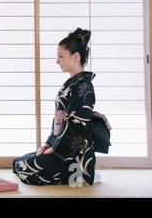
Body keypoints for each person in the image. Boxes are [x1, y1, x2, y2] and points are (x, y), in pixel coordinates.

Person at [12, 28, 96, 186]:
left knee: (24, 169)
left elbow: (76, 127)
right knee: (17, 163)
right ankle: (62, 172)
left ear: (75, 57)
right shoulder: (72, 85)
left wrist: (55, 149)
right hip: (60, 146)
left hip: (72, 154)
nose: (57, 61)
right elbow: (58, 122)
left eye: (60, 56)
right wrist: (49, 143)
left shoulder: (84, 87)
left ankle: (76, 174)